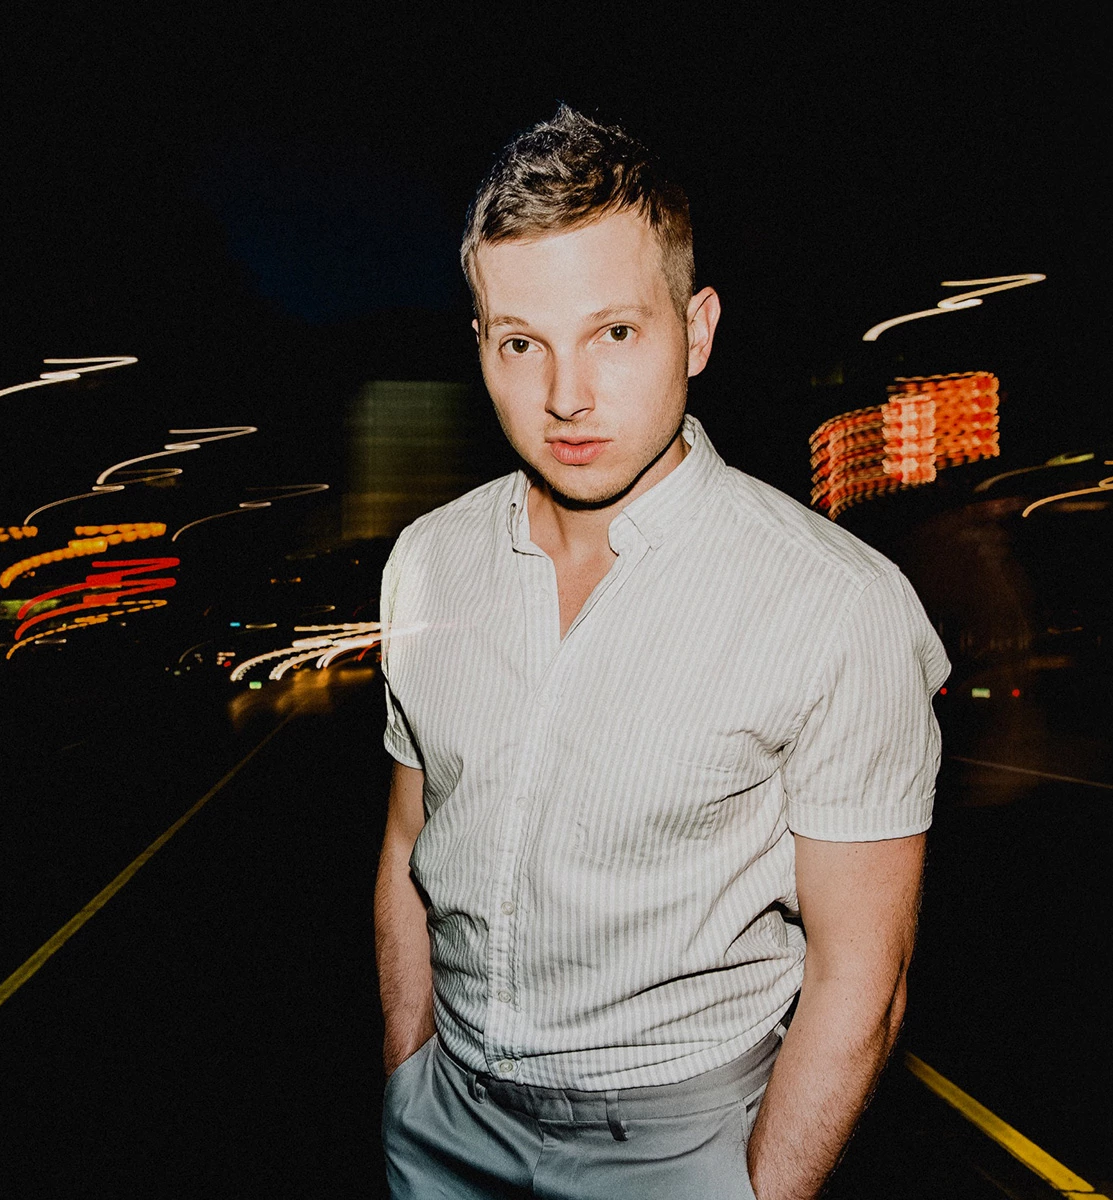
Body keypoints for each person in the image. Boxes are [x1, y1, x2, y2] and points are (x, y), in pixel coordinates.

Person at [374, 106, 949, 1200]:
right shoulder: (426, 565)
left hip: (679, 1147)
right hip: (442, 1125)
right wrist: (408, 1071)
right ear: (483, 345)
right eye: (521, 342)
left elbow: (862, 977)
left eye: (616, 333)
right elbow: (410, 840)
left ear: (697, 330)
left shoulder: (837, 605)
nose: (566, 395)